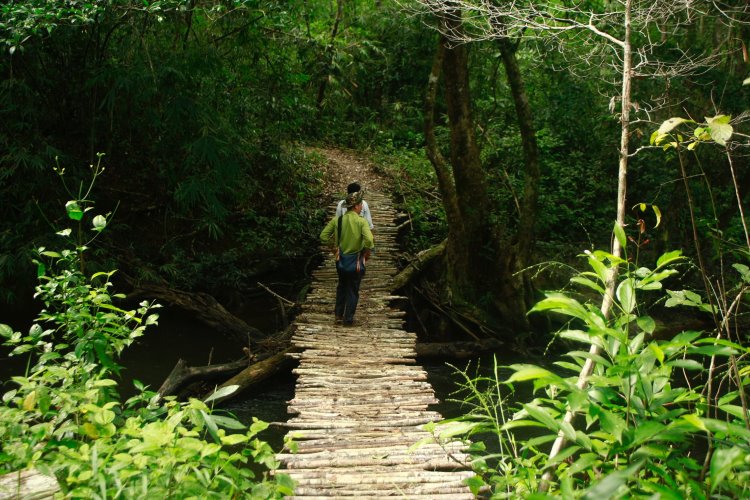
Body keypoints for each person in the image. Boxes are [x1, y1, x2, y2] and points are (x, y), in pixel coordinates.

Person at [320, 191, 374, 326]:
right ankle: (348, 319)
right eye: (361, 204)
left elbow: (323, 236)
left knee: (342, 286)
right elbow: (369, 241)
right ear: (356, 206)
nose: (362, 206)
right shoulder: (361, 222)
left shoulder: (337, 220)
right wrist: (366, 253)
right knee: (353, 289)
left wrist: (334, 249)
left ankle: (338, 315)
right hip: (355, 261)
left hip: (341, 261)